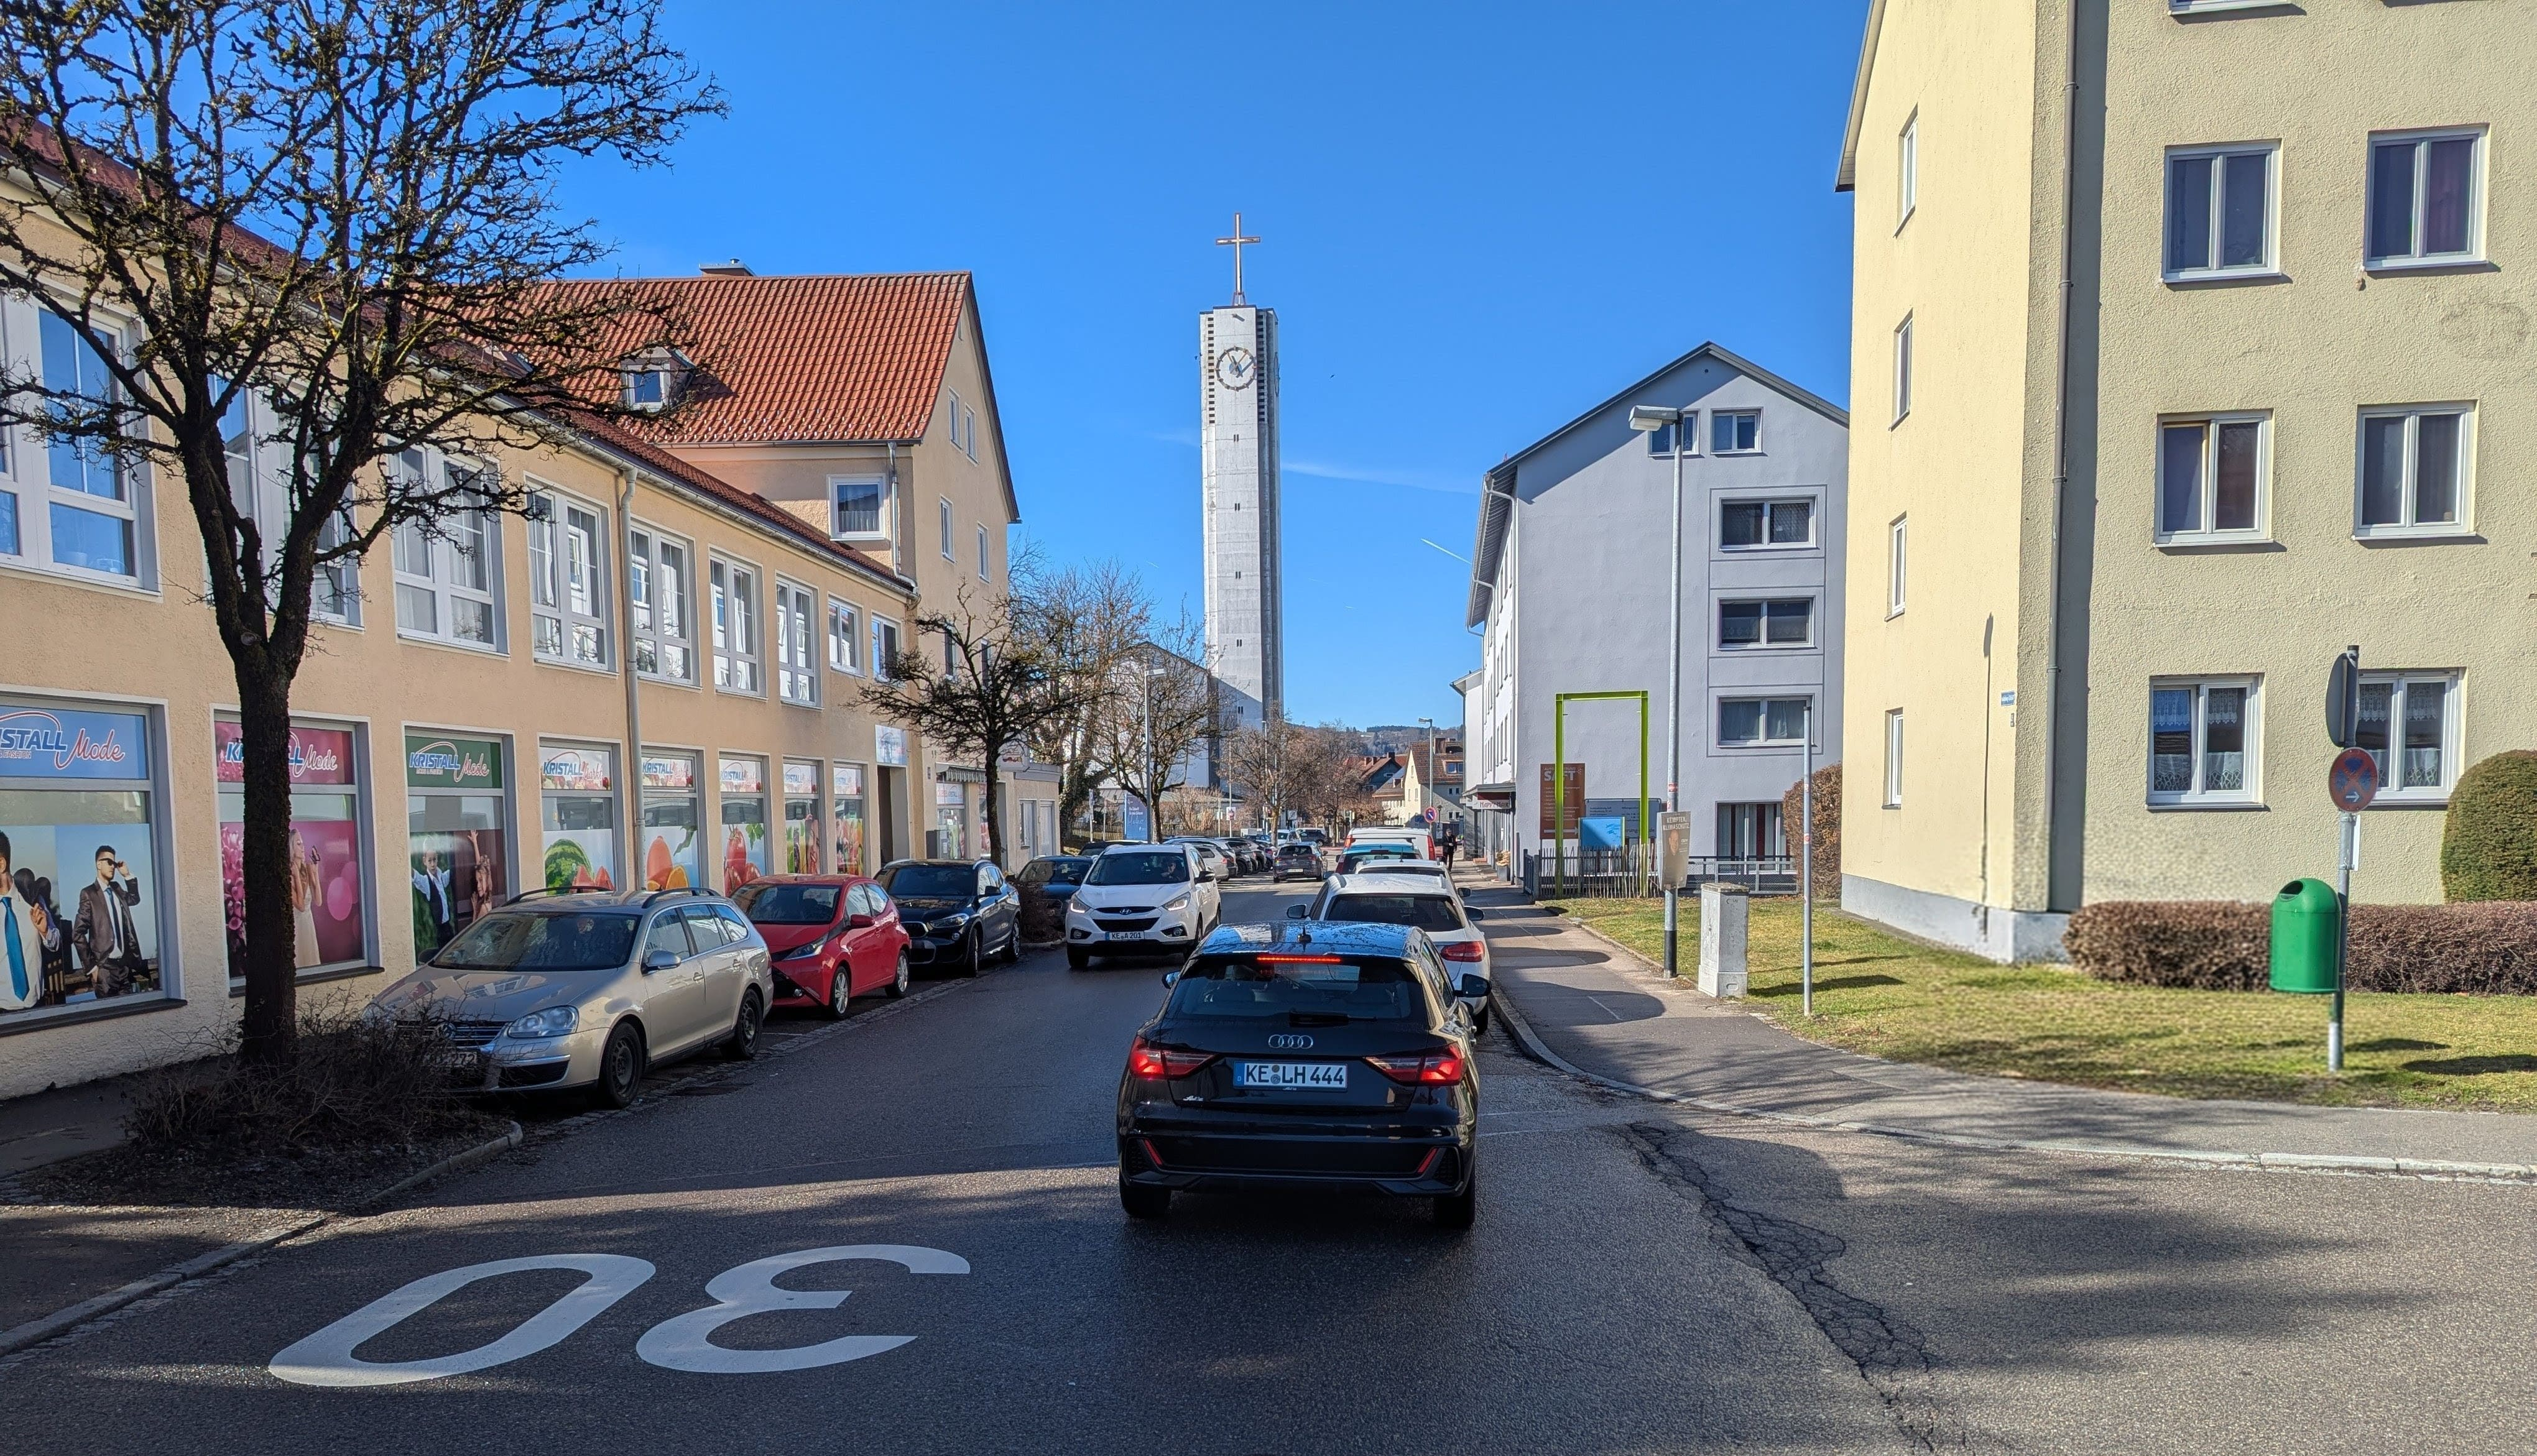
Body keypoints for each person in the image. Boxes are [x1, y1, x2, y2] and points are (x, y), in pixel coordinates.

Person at [0, 833, 65, 1012]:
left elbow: (56, 943)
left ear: (1, 865)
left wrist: (45, 932)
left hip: (38, 1008)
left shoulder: (32, 899)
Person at [74, 844, 147, 997]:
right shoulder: (89, 894)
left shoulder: (117, 889)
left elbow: (134, 899)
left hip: (124, 967)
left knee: (129, 1014)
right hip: (104, 970)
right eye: (109, 862)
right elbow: (78, 933)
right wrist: (92, 969)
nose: (113, 866)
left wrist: (127, 876)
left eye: (114, 863)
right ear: (98, 864)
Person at [289, 827, 323, 970]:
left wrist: (315, 874)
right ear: (290, 848)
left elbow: (319, 901)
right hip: (296, 928)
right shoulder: (289, 875)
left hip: (309, 925)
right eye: (298, 843)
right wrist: (297, 877)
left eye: (302, 843)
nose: (303, 847)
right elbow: (301, 906)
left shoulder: (306, 869)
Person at [412, 846, 455, 954]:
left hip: (447, 925)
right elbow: (416, 877)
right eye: (429, 861)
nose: (433, 864)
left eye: (434, 860)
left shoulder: (441, 878)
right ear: (424, 861)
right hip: (439, 929)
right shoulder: (426, 882)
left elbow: (452, 872)